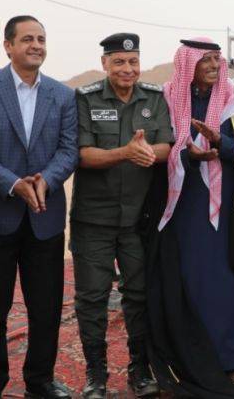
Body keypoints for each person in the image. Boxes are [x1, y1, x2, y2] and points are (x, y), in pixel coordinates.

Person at [144, 38, 234, 398]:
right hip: (181, 202)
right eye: (207, 60)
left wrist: (219, 143)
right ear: (189, 64)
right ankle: (187, 357)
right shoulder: (167, 97)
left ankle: (232, 357)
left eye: (217, 59)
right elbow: (161, 146)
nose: (215, 66)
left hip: (222, 205)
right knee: (186, 277)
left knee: (223, 276)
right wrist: (187, 155)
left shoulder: (231, 97)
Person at [0, 16, 78, 399]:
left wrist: (46, 181)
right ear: (8, 46)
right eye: (27, 39)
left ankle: (40, 381)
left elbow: (68, 150)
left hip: (44, 216)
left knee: (46, 308)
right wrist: (14, 185)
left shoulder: (63, 95)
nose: (36, 45)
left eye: (41, 39)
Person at [71, 33, 173, 398]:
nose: (127, 69)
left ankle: (139, 370)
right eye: (118, 62)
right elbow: (83, 154)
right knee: (92, 298)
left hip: (137, 221)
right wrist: (126, 152)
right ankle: (96, 374)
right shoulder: (85, 99)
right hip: (93, 220)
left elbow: (167, 144)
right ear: (105, 64)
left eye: (133, 62)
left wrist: (149, 152)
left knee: (139, 295)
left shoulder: (154, 97)